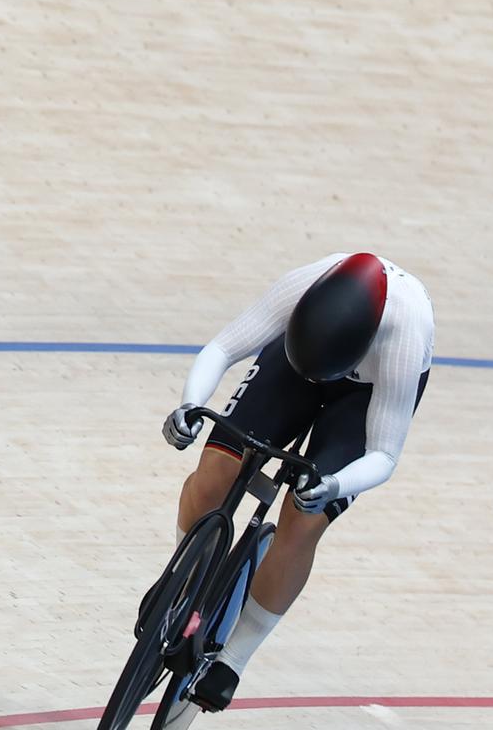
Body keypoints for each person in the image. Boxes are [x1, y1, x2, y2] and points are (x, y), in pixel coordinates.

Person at [160, 252, 434, 722]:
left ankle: (234, 658)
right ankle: (185, 582)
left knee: (304, 519)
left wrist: (334, 484)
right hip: (294, 361)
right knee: (217, 469)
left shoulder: (405, 337)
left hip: (364, 397)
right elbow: (224, 348)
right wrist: (190, 404)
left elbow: (384, 456)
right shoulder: (302, 285)